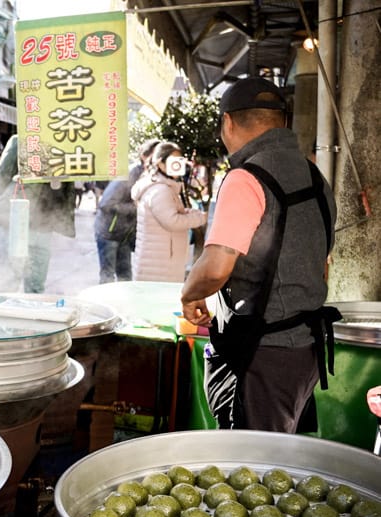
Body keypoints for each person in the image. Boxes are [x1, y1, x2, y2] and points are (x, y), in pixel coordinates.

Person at [181, 77, 338, 433]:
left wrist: (190, 293)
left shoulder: (246, 178)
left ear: (227, 123)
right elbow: (322, 262)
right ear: (283, 121)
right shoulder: (315, 177)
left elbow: (217, 266)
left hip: (262, 353)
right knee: (279, 453)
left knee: (252, 470)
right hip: (305, 348)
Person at [0, 134, 76, 293]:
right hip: (15, 221)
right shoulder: (20, 140)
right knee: (12, 283)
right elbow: (1, 180)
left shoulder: (66, 147)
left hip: (43, 224)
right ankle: (3, 317)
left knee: (32, 285)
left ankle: (26, 315)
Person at [130, 141, 207, 282]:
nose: (178, 165)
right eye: (174, 161)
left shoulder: (161, 186)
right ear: (160, 164)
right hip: (160, 266)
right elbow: (172, 221)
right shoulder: (161, 190)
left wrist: (189, 213)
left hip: (159, 262)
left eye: (180, 161)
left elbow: (172, 213)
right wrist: (200, 218)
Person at [94, 139, 159, 283]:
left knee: (126, 276)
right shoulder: (129, 174)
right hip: (108, 232)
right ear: (144, 156)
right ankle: (105, 304)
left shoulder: (150, 175)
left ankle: (122, 305)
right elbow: (106, 204)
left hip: (124, 235)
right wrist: (136, 208)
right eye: (157, 154)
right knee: (107, 276)